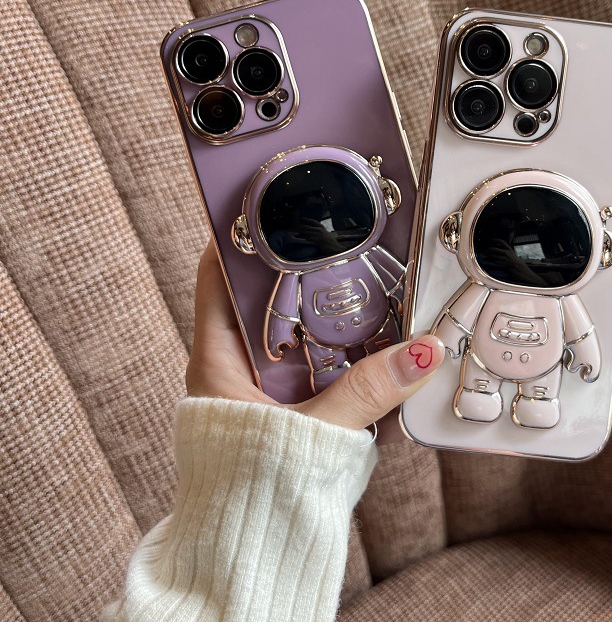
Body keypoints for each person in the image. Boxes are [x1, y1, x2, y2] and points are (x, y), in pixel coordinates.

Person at [101, 242, 445, 621]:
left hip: (373, 329)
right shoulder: (296, 273)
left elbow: (397, 279)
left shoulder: (359, 257)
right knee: (328, 368)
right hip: (324, 347)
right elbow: (287, 304)